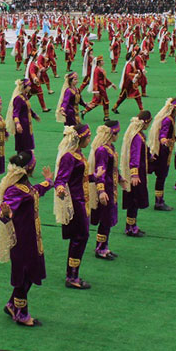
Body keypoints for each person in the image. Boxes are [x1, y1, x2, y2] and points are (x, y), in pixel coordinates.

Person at [0, 151, 53, 326]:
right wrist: (5, 213)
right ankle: (21, 313)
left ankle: (12, 304)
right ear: (30, 167)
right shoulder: (14, 190)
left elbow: (35, 191)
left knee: (30, 272)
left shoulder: (25, 185)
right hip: (22, 240)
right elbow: (3, 210)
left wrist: (48, 182)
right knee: (23, 275)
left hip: (31, 238)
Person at [53, 124, 94, 289]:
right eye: (88, 137)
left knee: (80, 237)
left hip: (83, 200)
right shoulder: (69, 157)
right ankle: (72, 276)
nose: (90, 140)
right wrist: (60, 188)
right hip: (76, 203)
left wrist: (94, 177)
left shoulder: (79, 154)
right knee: (80, 237)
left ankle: (72, 273)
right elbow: (60, 179)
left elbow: (80, 176)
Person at [90, 120, 122, 259]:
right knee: (105, 219)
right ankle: (100, 248)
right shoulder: (102, 150)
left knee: (108, 219)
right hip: (106, 190)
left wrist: (120, 179)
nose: (117, 136)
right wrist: (101, 191)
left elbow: (112, 168)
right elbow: (100, 172)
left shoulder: (111, 148)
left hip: (111, 188)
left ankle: (104, 246)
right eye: (116, 133)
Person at [120, 110, 152, 236]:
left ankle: (132, 224)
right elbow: (135, 155)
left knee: (134, 200)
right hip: (136, 173)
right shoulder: (137, 137)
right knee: (134, 199)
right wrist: (134, 174)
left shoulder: (139, 135)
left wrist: (149, 156)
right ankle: (130, 227)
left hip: (139, 170)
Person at [148, 97, 176, 211]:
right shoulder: (168, 120)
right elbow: (163, 133)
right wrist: (164, 140)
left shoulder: (172, 118)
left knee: (162, 176)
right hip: (162, 152)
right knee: (161, 176)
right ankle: (158, 202)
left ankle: (159, 200)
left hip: (165, 151)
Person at [6, 79, 38, 159]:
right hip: (22, 126)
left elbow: (28, 108)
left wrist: (34, 115)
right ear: (24, 87)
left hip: (27, 125)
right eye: (29, 86)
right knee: (22, 145)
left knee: (27, 144)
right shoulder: (18, 99)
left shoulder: (24, 96)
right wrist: (18, 124)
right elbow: (15, 113)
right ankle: (21, 160)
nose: (30, 88)